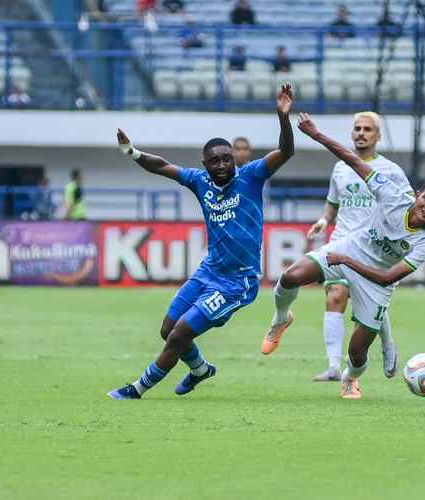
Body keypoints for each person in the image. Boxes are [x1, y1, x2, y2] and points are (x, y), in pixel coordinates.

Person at [108, 84, 295, 400]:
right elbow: (161, 165)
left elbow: (286, 151)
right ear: (205, 164)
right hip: (209, 271)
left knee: (180, 334)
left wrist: (283, 119)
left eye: (226, 159)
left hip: (237, 282)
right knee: (168, 330)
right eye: (214, 161)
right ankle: (200, 370)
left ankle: (137, 389)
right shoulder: (199, 181)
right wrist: (132, 152)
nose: (222, 165)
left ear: (234, 159)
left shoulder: (251, 176)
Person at [262, 112, 425, 399]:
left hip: (377, 282)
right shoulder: (391, 195)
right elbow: (352, 160)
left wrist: (349, 263)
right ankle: (280, 318)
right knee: (291, 277)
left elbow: (388, 276)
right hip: (349, 247)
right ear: (417, 195)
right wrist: (316, 134)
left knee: (357, 351)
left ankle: (350, 378)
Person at [303, 112, 413, 382]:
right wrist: (322, 220)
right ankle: (332, 366)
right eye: (357, 129)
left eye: (367, 129)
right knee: (335, 296)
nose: (361, 133)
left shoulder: (391, 171)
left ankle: (387, 344)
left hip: (374, 248)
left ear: (378, 136)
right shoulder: (340, 167)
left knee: (368, 304)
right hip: (342, 242)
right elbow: (333, 203)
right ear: (352, 134)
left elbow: (410, 203)